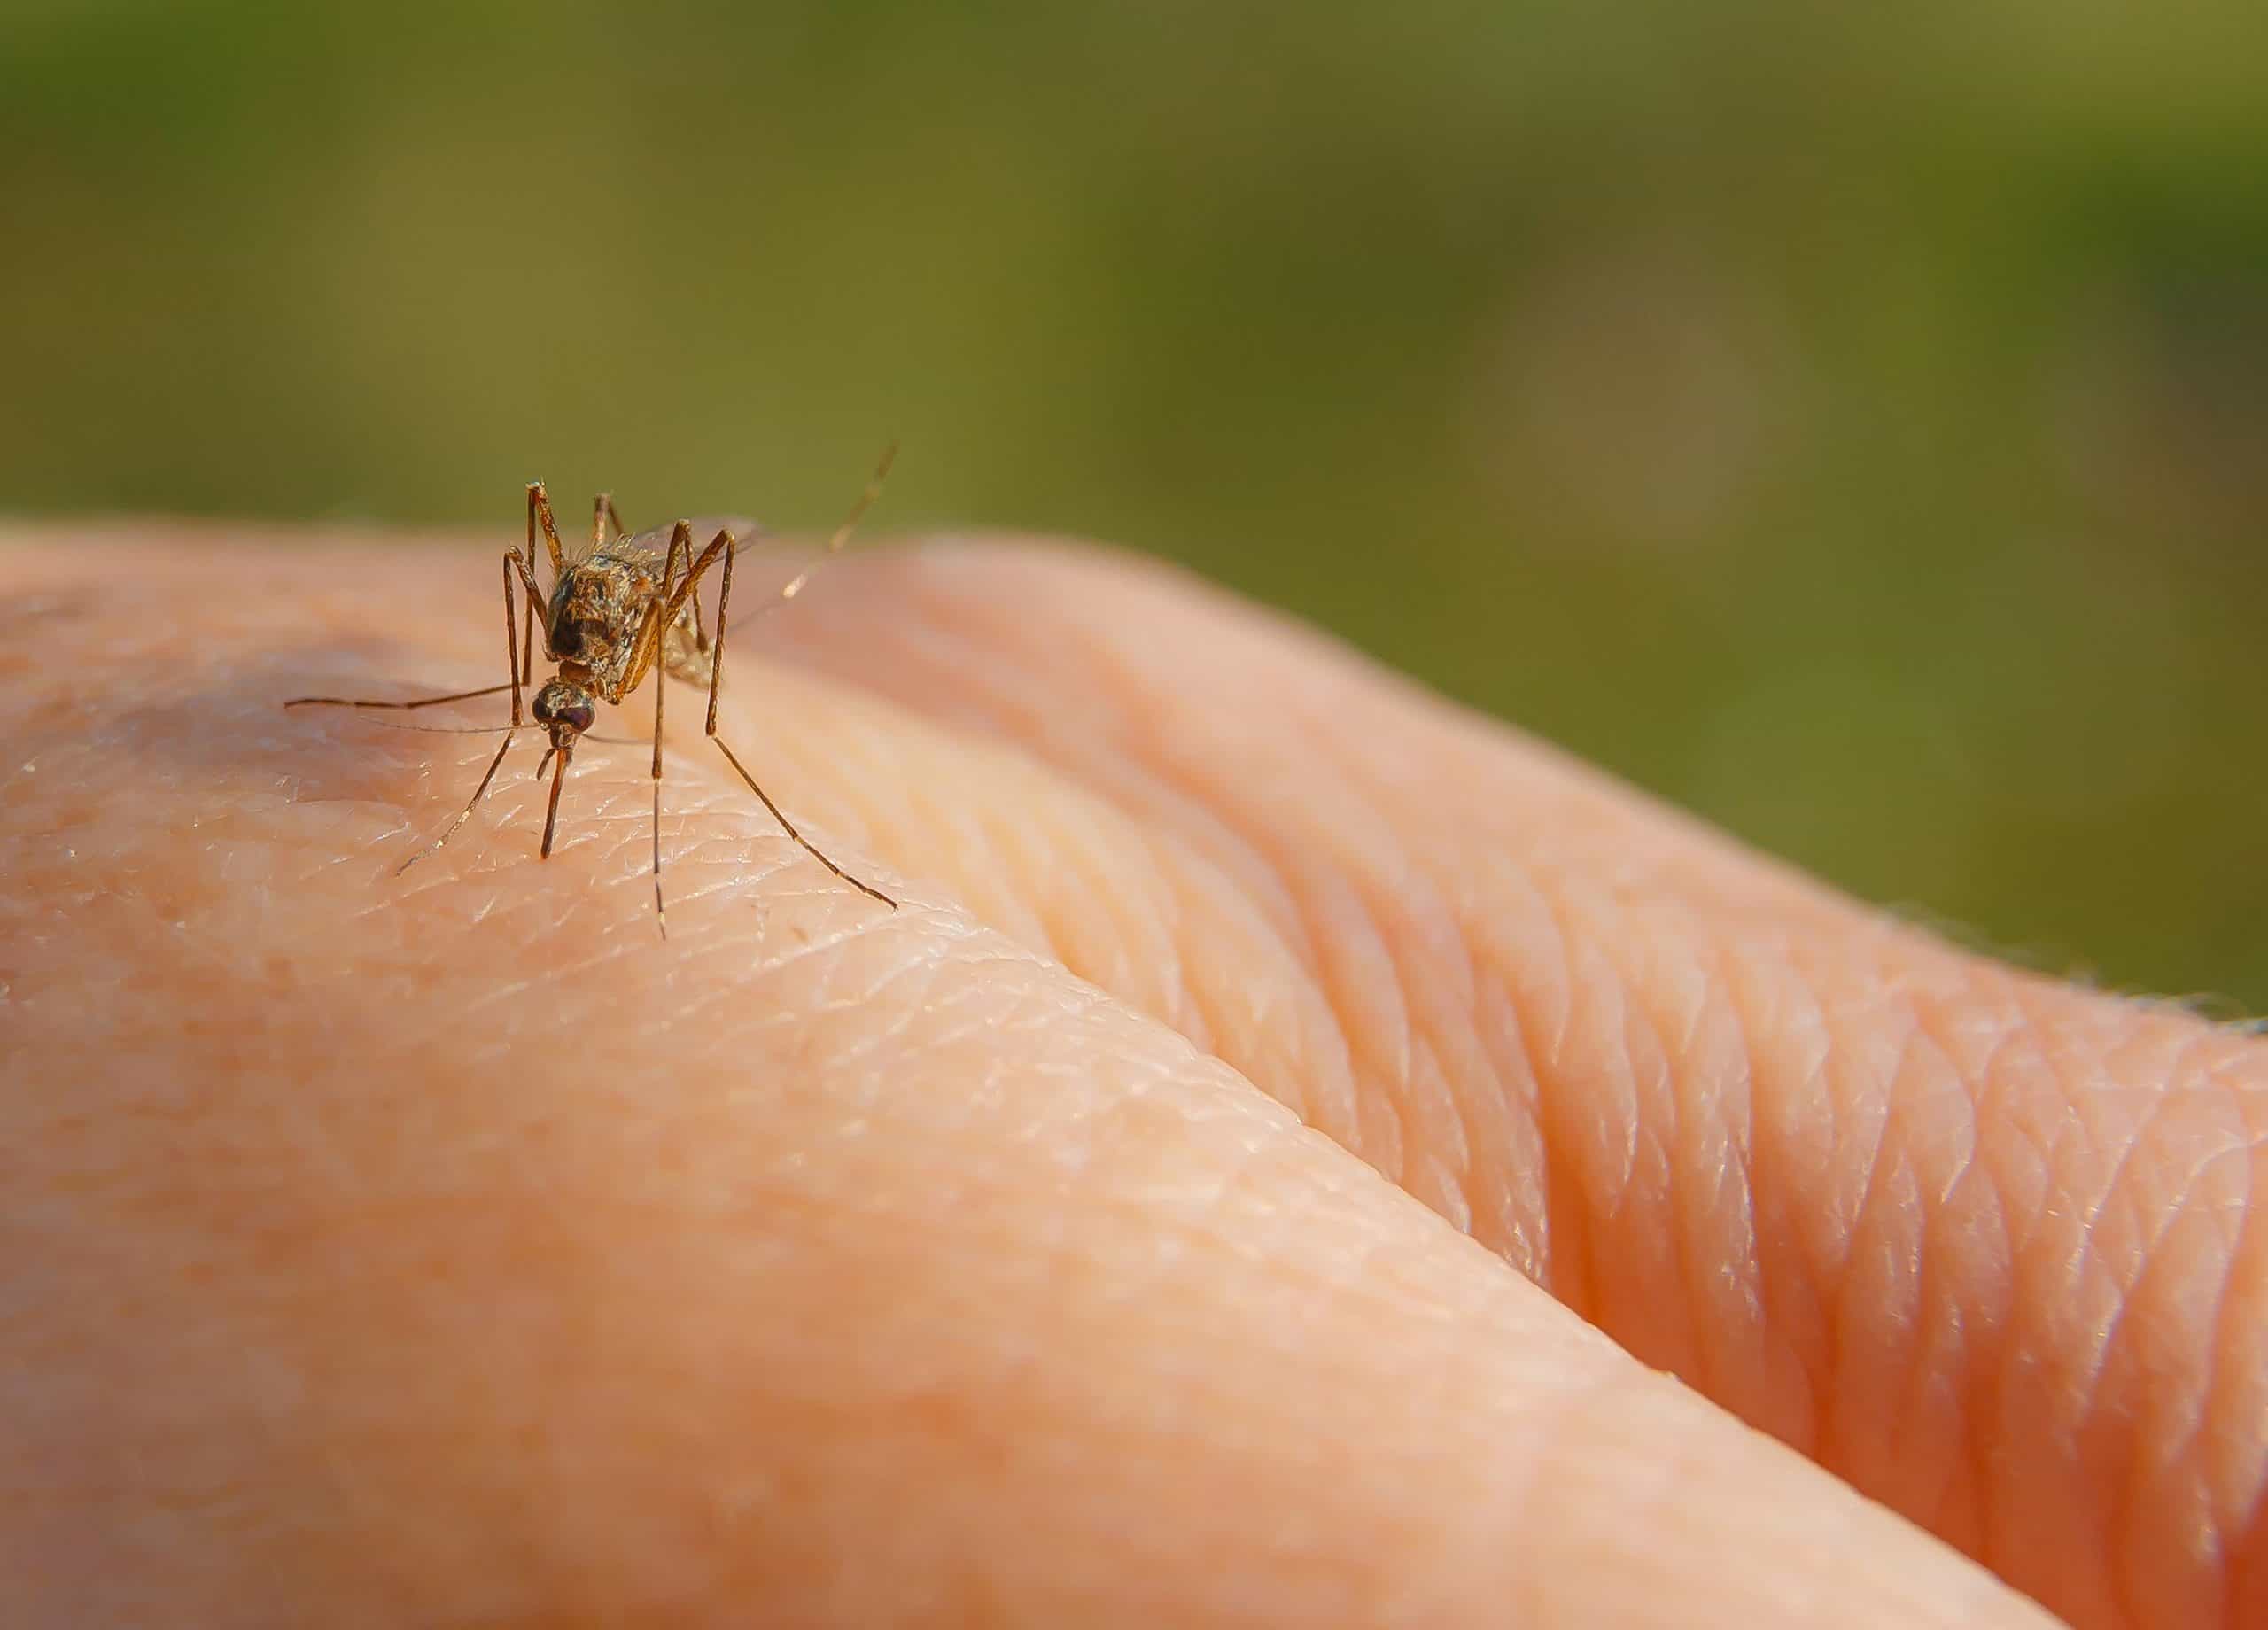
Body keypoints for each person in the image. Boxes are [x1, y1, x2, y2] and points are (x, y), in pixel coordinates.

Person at [2, 526, 2256, 1629]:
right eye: (573, 698)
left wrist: (692, 762)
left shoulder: (651, 661)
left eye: (580, 697)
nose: (575, 722)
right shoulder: (546, 651)